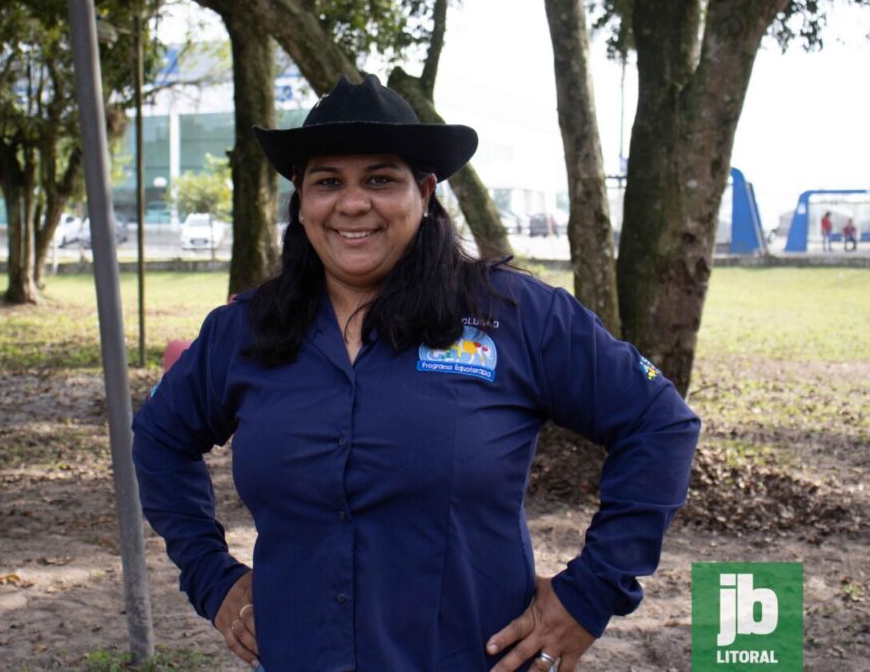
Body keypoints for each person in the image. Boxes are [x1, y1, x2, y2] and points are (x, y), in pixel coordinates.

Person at [132, 75, 700, 672]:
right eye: (328, 182)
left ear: (425, 193)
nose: (353, 204)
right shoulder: (244, 332)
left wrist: (588, 596)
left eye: (380, 179)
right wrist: (211, 578)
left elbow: (658, 423)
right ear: (301, 200)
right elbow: (160, 439)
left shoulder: (512, 315)